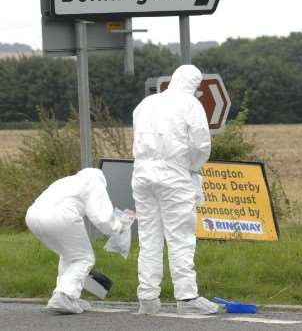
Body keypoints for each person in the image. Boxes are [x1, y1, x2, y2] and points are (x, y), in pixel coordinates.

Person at [132, 64, 221, 315]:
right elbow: (201, 144)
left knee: (149, 236)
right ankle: (187, 298)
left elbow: (137, 138)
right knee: (180, 237)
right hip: (174, 175)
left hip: (141, 175)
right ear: (194, 84)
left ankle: (147, 298)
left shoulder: (146, 104)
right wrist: (191, 168)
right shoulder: (190, 104)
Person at [25, 167, 126, 314]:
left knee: (69, 255)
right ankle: (64, 296)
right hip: (60, 217)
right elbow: (101, 218)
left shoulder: (66, 181)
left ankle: (67, 295)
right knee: (84, 258)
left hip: (33, 216)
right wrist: (119, 227)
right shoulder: (94, 182)